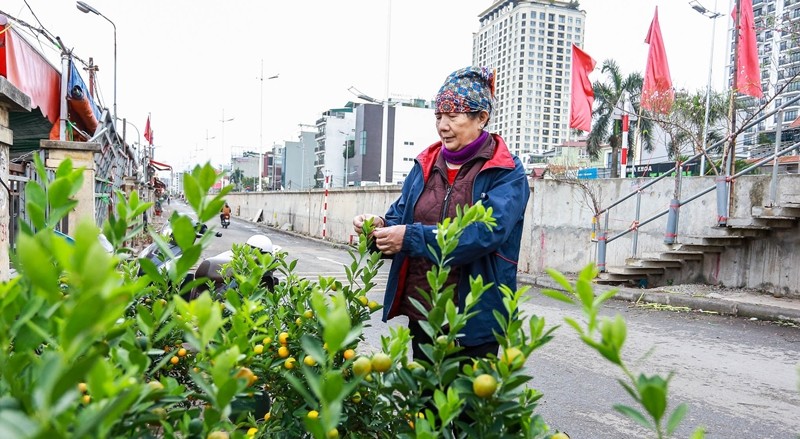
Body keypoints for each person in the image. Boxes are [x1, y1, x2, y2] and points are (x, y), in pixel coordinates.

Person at [352, 66, 530, 362]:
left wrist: (410, 238)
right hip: (423, 313)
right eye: (438, 116)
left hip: (474, 320)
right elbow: (401, 217)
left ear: (481, 118)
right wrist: (378, 227)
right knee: (425, 405)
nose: (443, 125)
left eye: (453, 116)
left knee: (468, 407)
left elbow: (484, 234)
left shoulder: (506, 171)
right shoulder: (426, 164)